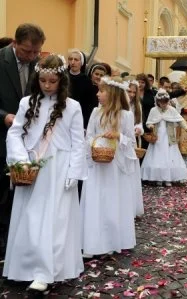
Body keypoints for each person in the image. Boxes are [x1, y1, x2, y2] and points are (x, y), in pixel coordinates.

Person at [3, 54, 86, 291]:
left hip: (59, 168)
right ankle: (24, 266)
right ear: (37, 79)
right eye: (43, 81)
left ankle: (47, 270)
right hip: (32, 166)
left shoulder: (72, 107)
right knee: (29, 217)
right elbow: (15, 133)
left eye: (52, 81)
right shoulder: (26, 102)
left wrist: (74, 171)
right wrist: (20, 161)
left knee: (55, 220)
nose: (47, 86)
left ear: (61, 81)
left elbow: (78, 141)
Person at [0, 23, 45, 260]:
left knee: (18, 194)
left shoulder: (37, 65)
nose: (32, 56)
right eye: (27, 51)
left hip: (24, 142)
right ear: (14, 43)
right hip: (0, 136)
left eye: (36, 52)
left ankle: (12, 243)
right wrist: (3, 116)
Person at [80, 76, 137, 258]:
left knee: (111, 201)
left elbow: (131, 141)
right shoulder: (96, 113)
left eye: (101, 91)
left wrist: (118, 136)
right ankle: (92, 242)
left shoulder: (126, 116)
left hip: (114, 165)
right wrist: (93, 145)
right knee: (95, 200)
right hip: (97, 163)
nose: (98, 94)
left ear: (112, 94)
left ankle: (111, 241)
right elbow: (89, 135)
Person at [141, 89, 187, 186]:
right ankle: (158, 178)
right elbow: (148, 122)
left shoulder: (172, 110)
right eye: (161, 102)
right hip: (157, 138)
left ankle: (169, 178)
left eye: (165, 102)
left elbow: (180, 120)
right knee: (158, 157)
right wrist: (151, 126)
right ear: (157, 102)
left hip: (169, 137)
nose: (164, 104)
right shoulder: (153, 110)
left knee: (169, 156)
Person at [124, 76, 144, 217]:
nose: (131, 94)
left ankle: (131, 206)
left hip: (132, 142)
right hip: (120, 141)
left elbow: (140, 123)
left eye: (133, 92)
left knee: (132, 172)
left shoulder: (137, 106)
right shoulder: (121, 105)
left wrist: (138, 129)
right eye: (129, 91)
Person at [67, 49, 95, 129]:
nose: (73, 62)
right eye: (70, 59)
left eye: (76, 60)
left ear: (81, 62)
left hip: (79, 117)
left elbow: (89, 105)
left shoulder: (86, 81)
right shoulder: (63, 76)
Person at [137, 73, 156, 150]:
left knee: (146, 145)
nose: (140, 84)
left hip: (148, 122)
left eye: (142, 82)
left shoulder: (151, 93)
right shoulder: (133, 92)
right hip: (136, 121)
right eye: (139, 82)